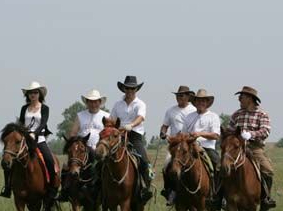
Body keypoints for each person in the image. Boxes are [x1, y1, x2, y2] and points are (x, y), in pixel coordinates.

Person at [220, 86, 276, 211]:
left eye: (242, 97)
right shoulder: (236, 114)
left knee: (267, 169)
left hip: (254, 147)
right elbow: (230, 129)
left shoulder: (262, 114)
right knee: (222, 166)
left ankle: (266, 198)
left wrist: (251, 134)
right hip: (236, 147)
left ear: (250, 99)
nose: (239, 99)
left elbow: (266, 130)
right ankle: (220, 197)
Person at [0, 81, 57, 199]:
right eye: (30, 93)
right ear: (28, 95)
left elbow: (43, 123)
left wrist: (34, 134)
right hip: (24, 141)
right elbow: (20, 124)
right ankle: (7, 188)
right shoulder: (24, 108)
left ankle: (52, 188)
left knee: (49, 160)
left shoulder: (45, 108)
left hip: (39, 139)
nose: (33, 95)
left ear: (40, 94)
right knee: (8, 160)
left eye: (35, 92)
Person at [167, 89, 221, 207]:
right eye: (198, 100)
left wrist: (200, 134)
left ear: (207, 102)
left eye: (203, 101)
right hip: (190, 147)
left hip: (207, 147)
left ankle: (216, 195)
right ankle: (172, 192)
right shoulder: (189, 117)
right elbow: (184, 134)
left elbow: (216, 135)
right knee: (172, 165)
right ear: (195, 102)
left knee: (218, 166)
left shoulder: (213, 117)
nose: (201, 103)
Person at [59, 89, 109, 201]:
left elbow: (108, 134)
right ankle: (64, 191)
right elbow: (73, 133)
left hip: (99, 150)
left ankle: (107, 192)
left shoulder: (106, 116)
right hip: (82, 150)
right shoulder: (80, 115)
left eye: (96, 101)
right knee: (67, 166)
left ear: (100, 102)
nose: (93, 104)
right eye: (90, 101)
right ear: (87, 102)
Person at [110, 75, 153, 203]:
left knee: (144, 162)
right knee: (105, 157)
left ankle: (146, 188)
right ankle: (103, 188)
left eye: (132, 88)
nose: (129, 91)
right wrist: (113, 128)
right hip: (119, 135)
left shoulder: (140, 104)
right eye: (127, 88)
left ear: (136, 89)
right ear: (124, 89)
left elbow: (141, 117)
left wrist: (131, 125)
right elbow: (112, 119)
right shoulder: (117, 104)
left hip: (135, 135)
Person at [159, 85, 196, 204]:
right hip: (174, 145)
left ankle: (208, 193)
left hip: (189, 143)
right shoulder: (170, 110)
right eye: (178, 95)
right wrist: (163, 133)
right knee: (166, 166)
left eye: (182, 95)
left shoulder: (193, 110)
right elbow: (165, 126)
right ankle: (170, 191)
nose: (179, 97)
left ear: (188, 97)